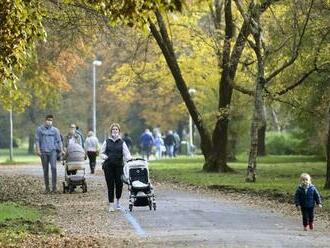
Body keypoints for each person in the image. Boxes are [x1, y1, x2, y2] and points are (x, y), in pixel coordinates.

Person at [100, 123, 132, 212]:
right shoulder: (107, 141)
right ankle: (111, 204)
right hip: (108, 166)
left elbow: (127, 154)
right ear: (111, 131)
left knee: (119, 184)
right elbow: (101, 153)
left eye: (116, 129)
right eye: (113, 129)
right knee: (110, 185)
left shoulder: (122, 142)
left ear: (119, 131)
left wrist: (130, 159)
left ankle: (118, 201)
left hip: (119, 166)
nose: (115, 131)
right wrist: (105, 157)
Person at [35, 114, 63, 193]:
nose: (49, 122)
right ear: (45, 120)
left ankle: (54, 187)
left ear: (52, 121)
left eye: (51, 120)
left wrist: (61, 150)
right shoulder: (40, 129)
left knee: (54, 168)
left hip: (53, 151)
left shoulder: (55, 130)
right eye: (48, 120)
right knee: (45, 170)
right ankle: (47, 188)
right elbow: (37, 140)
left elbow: (59, 141)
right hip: (43, 152)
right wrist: (38, 150)